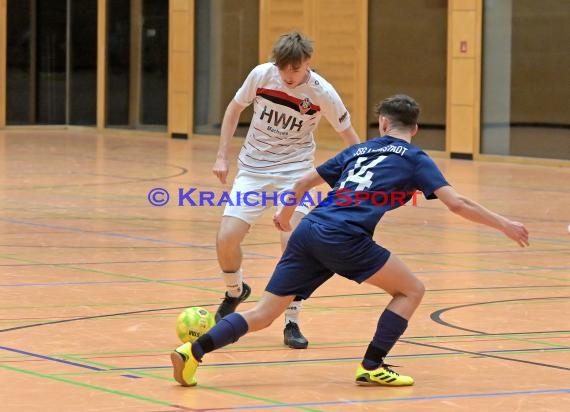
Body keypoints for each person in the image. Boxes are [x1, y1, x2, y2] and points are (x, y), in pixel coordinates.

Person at [173, 94, 529, 387]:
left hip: (309, 230)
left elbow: (300, 184)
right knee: (411, 291)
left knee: (264, 314)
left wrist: (284, 216)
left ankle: (194, 352)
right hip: (345, 237)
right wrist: (504, 224)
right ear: (415, 129)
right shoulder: (417, 158)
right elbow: (456, 203)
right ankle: (373, 365)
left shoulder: (359, 151)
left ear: (383, 124)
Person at [211, 31, 360, 349]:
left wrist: (361, 176)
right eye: (283, 69)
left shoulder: (323, 93)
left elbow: (350, 138)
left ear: (307, 63)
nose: (288, 76)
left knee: (291, 240)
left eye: (295, 69)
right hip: (253, 170)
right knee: (226, 239)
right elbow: (234, 110)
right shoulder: (261, 75)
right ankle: (235, 291)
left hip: (295, 173)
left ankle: (292, 319)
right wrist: (222, 155)